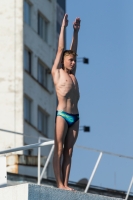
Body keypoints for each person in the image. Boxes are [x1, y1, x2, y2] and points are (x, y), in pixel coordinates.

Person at [52, 13, 81, 191]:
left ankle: (66, 183)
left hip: (75, 116)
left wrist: (76, 32)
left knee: (69, 151)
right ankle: (59, 183)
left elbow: (73, 49)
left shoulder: (72, 75)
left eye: (74, 60)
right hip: (62, 115)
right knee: (60, 149)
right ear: (63, 61)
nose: (73, 62)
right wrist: (63, 27)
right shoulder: (58, 72)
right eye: (70, 60)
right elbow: (61, 47)